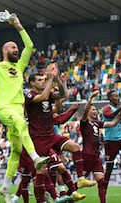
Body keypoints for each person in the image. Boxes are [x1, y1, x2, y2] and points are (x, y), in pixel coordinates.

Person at [0, 15, 49, 202]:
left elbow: (30, 46)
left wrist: (18, 26)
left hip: (18, 110)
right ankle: (36, 158)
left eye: (16, 48)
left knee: (17, 150)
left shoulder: (19, 67)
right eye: (12, 47)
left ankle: (5, 186)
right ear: (4, 51)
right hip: (4, 109)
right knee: (21, 124)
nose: (16, 49)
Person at [25, 68, 96, 202]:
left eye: (43, 79)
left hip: (51, 135)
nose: (43, 81)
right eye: (39, 80)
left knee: (75, 147)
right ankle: (43, 199)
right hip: (39, 139)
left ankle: (80, 179)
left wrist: (59, 80)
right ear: (32, 83)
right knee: (41, 173)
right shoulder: (29, 95)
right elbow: (42, 97)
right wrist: (50, 79)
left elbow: (64, 95)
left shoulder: (47, 95)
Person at [80, 90, 121, 203]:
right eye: (93, 110)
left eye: (96, 110)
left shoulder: (98, 123)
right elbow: (85, 110)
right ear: (87, 112)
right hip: (87, 155)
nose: (95, 111)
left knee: (101, 182)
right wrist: (90, 97)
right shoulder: (84, 123)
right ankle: (68, 196)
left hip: (96, 157)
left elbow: (113, 123)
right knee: (80, 182)